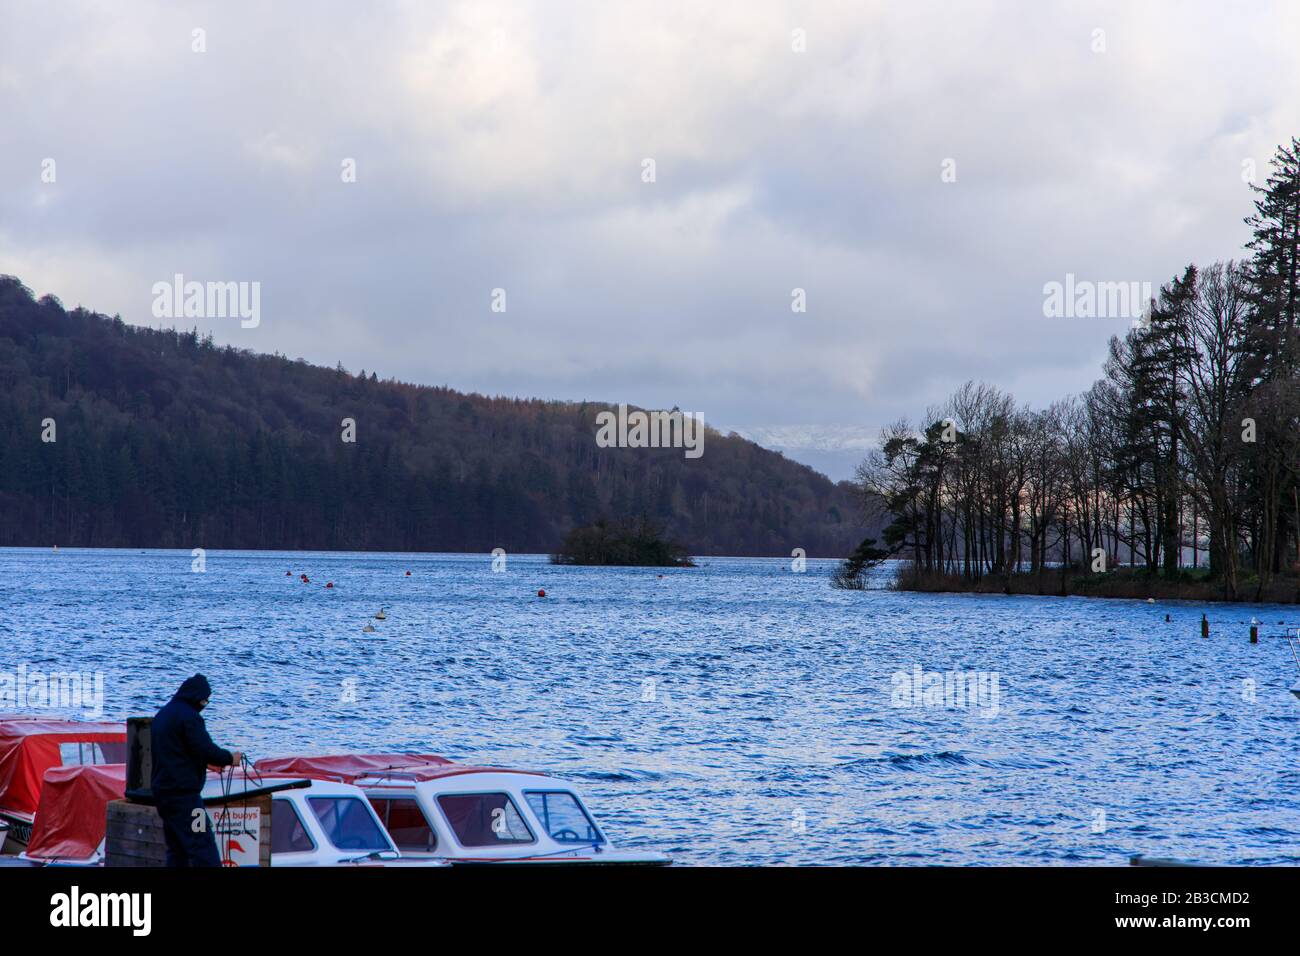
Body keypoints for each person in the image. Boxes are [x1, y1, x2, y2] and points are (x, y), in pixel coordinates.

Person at [150, 674, 242, 867]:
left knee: (177, 849)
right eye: (205, 699)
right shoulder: (190, 718)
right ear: (197, 696)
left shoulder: (163, 715)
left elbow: (174, 752)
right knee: (203, 845)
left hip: (164, 795)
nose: (205, 704)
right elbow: (206, 748)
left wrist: (202, 763)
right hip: (187, 799)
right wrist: (229, 758)